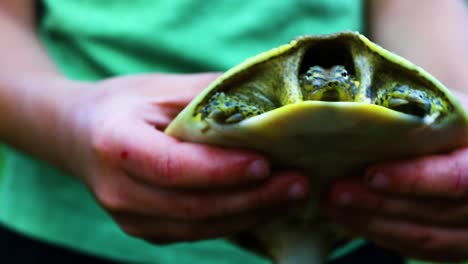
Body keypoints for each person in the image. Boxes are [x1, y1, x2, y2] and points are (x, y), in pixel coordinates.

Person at [0, 0, 466, 263]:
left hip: (358, 225)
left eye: (337, 78)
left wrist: (456, 135)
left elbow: (418, 11)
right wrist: (69, 125)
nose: (328, 83)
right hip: (70, 229)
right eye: (317, 78)